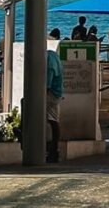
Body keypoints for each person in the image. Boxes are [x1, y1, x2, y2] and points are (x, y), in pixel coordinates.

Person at [46, 27, 63, 162]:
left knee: (52, 120)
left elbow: (49, 76)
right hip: (56, 92)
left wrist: (45, 89)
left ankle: (53, 148)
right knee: (53, 120)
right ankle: (53, 148)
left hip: (51, 93)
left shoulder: (49, 58)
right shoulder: (55, 56)